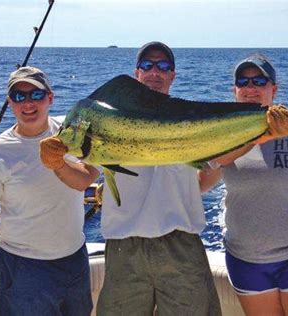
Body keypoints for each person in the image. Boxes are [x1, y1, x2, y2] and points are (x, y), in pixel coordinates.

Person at [94, 41, 222, 316]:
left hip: (181, 244)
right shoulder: (110, 120)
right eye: (147, 66)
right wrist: (56, 162)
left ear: (173, 75)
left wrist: (265, 132)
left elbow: (211, 172)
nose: (155, 72)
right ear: (136, 73)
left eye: (163, 66)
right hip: (124, 246)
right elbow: (83, 175)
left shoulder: (188, 119)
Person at [200, 54, 288, 316]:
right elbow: (201, 185)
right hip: (246, 258)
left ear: (274, 89)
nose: (250, 88)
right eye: (243, 82)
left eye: (259, 81)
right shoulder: (219, 135)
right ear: (234, 90)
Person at [0, 66, 99, 315]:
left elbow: (86, 177)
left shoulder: (70, 132)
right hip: (22, 270)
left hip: (74, 260)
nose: (28, 103)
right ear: (10, 103)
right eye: (19, 96)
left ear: (50, 98)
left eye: (36, 95)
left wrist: (59, 165)